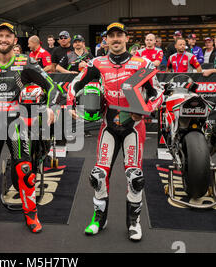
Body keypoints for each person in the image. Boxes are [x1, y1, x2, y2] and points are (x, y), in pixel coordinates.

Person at [68, 22, 163, 241]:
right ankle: (99, 220)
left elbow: (157, 91)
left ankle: (134, 222)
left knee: (134, 177)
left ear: (127, 38)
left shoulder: (143, 63)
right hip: (108, 125)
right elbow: (75, 84)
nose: (116, 39)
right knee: (99, 176)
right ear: (106, 40)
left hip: (134, 127)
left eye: (120, 35)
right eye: (112, 36)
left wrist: (147, 109)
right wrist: (70, 104)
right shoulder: (97, 62)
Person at [0, 22, 62, 234]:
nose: (4, 39)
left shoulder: (26, 62)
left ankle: (31, 215)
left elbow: (53, 87)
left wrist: (50, 108)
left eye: (8, 36)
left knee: (25, 172)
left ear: (15, 41)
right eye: (0, 35)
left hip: (18, 124)